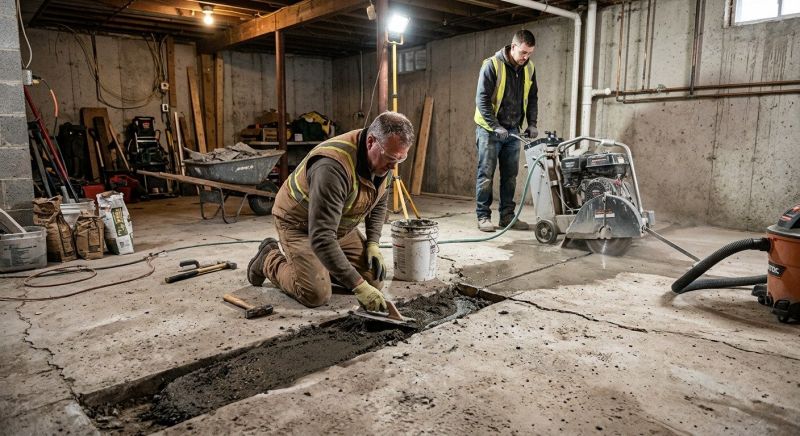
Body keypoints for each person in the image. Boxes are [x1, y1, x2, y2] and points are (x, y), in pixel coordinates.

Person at [247, 111, 415, 312]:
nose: (394, 167)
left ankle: (322, 265)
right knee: (316, 294)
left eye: (400, 159)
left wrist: (373, 243)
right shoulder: (333, 167)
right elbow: (322, 237)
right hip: (299, 224)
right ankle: (268, 258)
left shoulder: (384, 160)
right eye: (391, 158)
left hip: (337, 224)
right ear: (371, 142)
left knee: (373, 280)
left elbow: (379, 200)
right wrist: (357, 285)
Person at [473, 29, 539, 232]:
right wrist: (495, 126)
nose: (525, 57)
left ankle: (507, 216)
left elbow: (533, 96)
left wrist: (532, 123)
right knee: (486, 174)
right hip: (489, 130)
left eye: (529, 53)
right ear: (513, 47)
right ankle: (483, 217)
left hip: (513, 131)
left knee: (510, 176)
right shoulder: (492, 65)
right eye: (523, 53)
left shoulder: (529, 68)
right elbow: (482, 100)